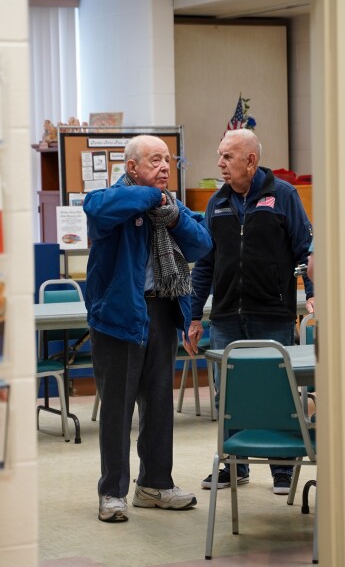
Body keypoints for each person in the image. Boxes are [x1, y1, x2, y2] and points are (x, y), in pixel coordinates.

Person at [83, 134, 212, 523]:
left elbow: (201, 244)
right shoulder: (112, 201)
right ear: (131, 167)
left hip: (161, 313)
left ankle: (154, 484)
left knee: (158, 406)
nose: (164, 168)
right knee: (118, 409)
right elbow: (96, 210)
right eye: (155, 161)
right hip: (119, 318)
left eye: (168, 161)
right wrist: (153, 198)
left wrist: (170, 213)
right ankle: (112, 493)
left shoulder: (170, 209)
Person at [184, 129, 315, 495]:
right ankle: (232, 465)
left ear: (250, 161)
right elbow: (205, 264)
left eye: (227, 156)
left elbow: (307, 250)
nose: (220, 163)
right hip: (226, 316)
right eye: (220, 155)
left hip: (271, 313)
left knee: (277, 390)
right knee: (227, 394)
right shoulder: (217, 203)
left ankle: (282, 470)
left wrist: (314, 294)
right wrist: (194, 316)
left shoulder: (283, 196)